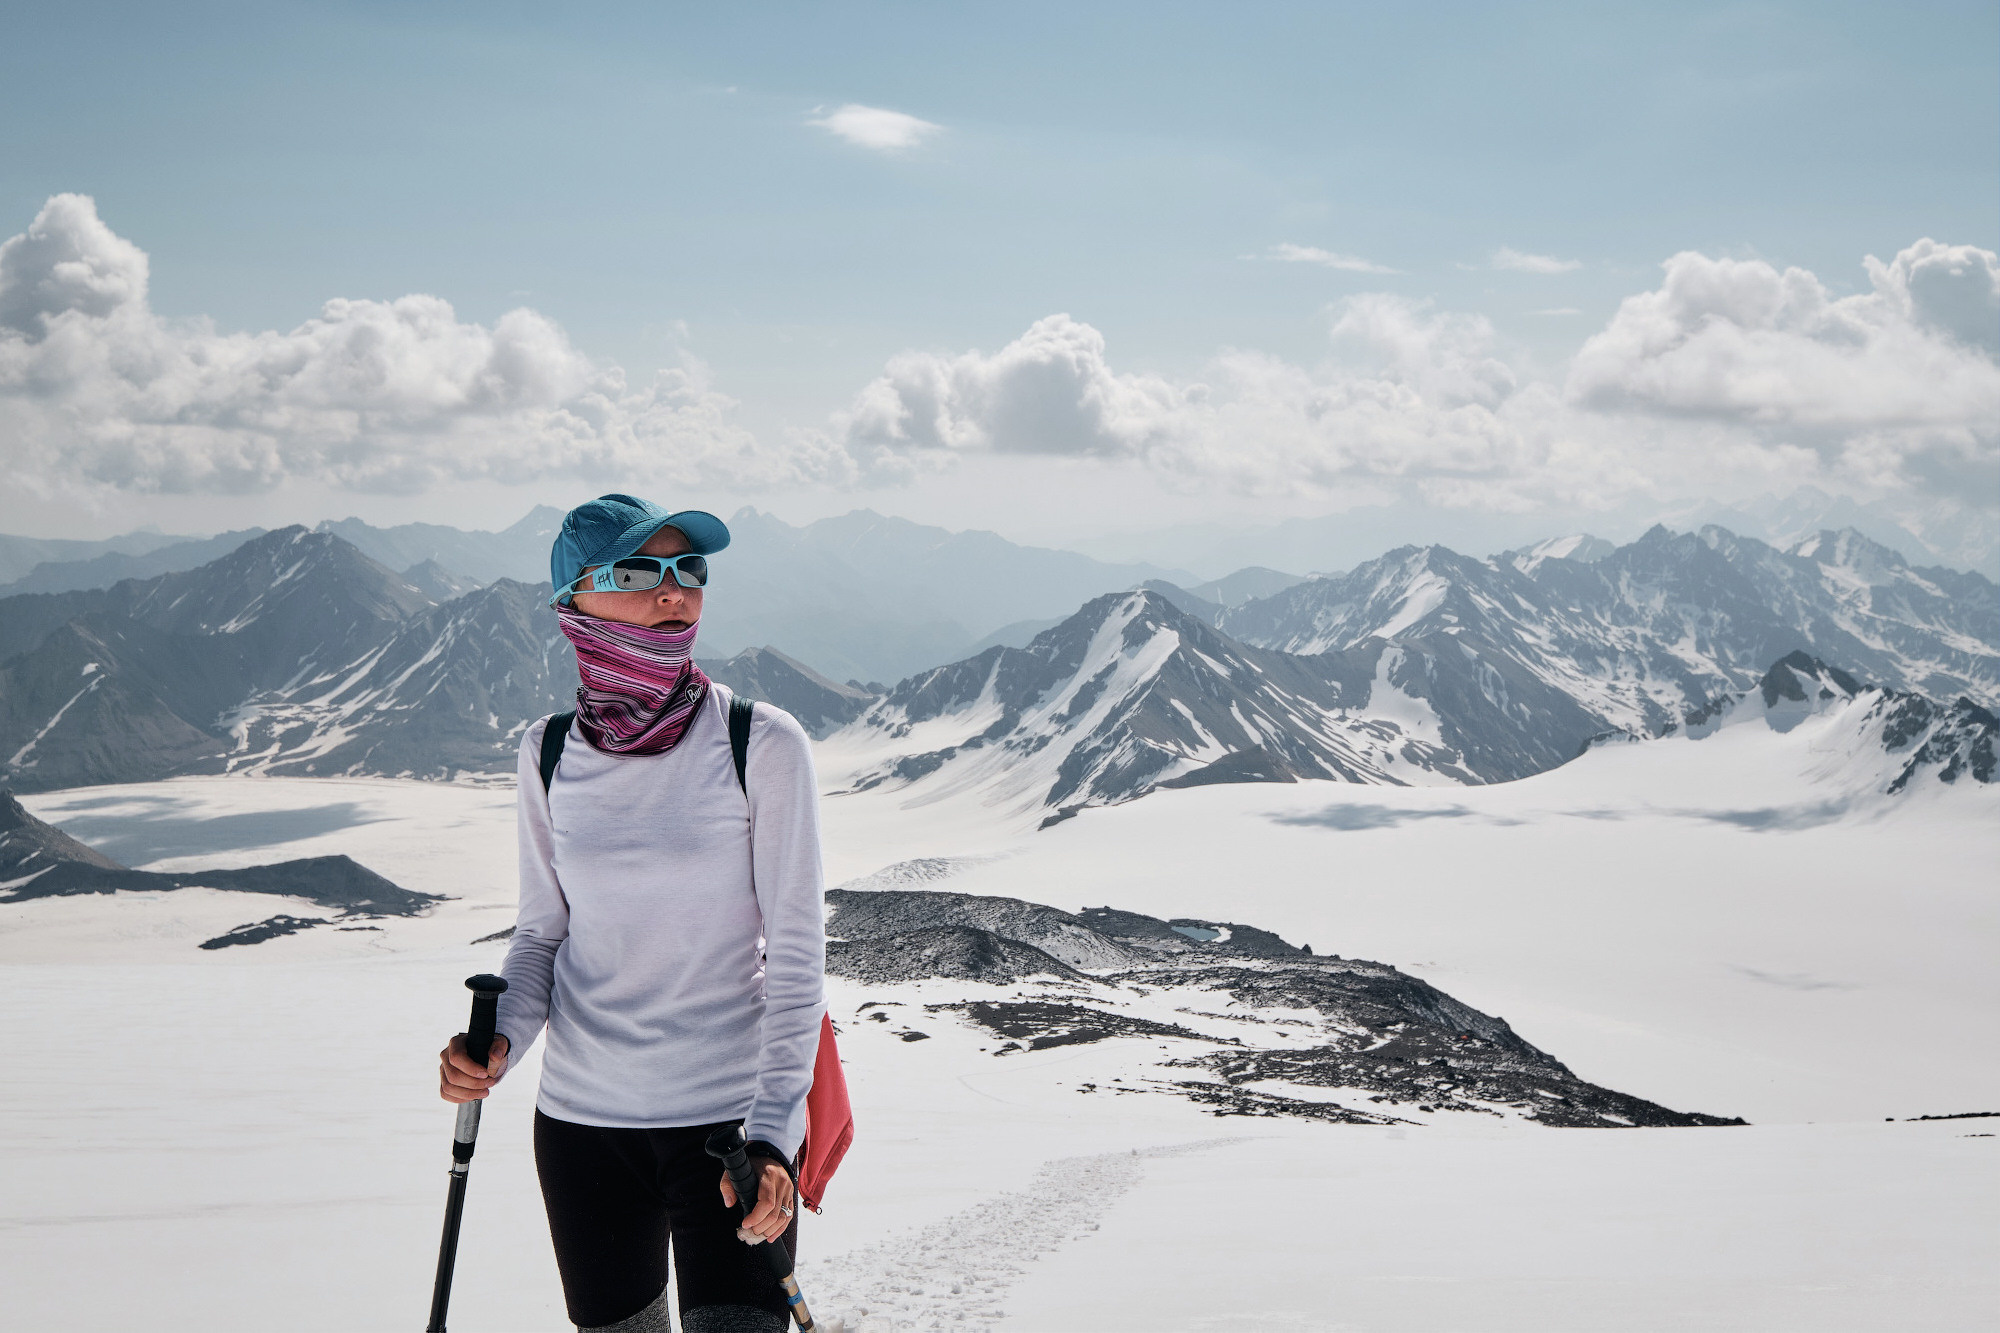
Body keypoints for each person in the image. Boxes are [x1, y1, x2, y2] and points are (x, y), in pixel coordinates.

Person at [438, 494, 826, 1333]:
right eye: (641, 569)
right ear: (573, 599)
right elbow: (543, 933)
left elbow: (797, 961)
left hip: (730, 1134)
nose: (675, 590)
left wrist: (772, 1134)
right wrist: (497, 1040)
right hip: (584, 1134)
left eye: (690, 570)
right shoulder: (543, 753)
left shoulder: (761, 743)